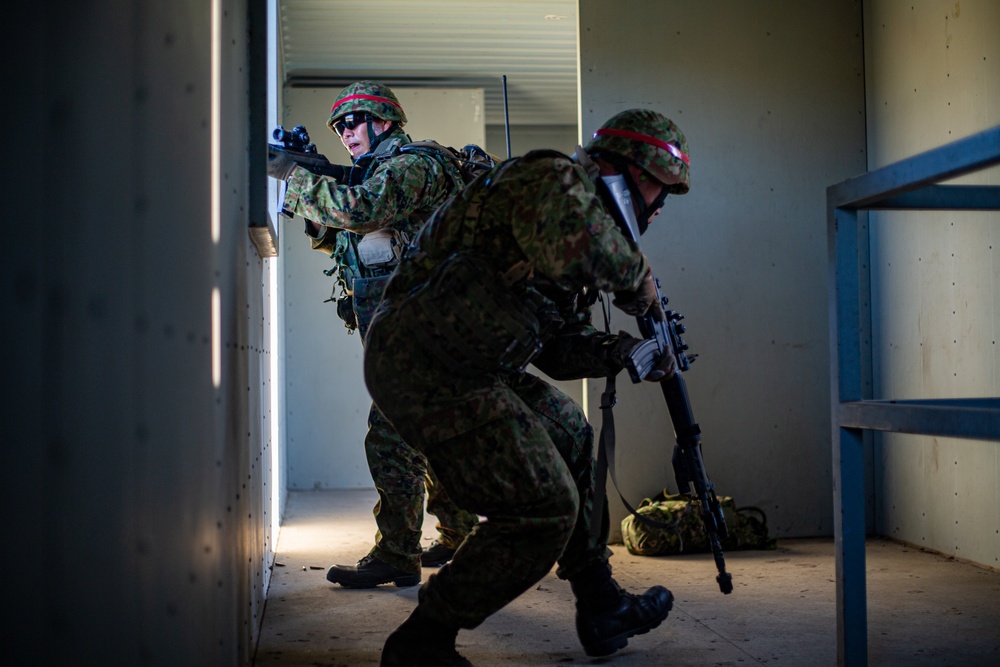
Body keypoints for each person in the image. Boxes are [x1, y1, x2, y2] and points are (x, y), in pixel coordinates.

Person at [363, 108, 691, 666]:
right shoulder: (552, 181)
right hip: (425, 361)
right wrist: (643, 287)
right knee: (544, 507)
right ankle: (423, 640)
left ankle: (600, 602)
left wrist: (622, 353)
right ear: (635, 169)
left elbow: (558, 348)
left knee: (573, 435)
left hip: (474, 364)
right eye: (661, 190)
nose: (658, 209)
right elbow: (596, 254)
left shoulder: (573, 223)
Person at [268, 81, 480, 587]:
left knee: (390, 439)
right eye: (337, 126)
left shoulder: (413, 165)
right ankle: (460, 534)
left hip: (435, 330)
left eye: (352, 121)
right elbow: (343, 238)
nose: (344, 133)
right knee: (430, 435)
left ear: (382, 120)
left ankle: (396, 555)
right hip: (418, 331)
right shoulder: (375, 174)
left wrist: (294, 178)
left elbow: (359, 210)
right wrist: (313, 197)